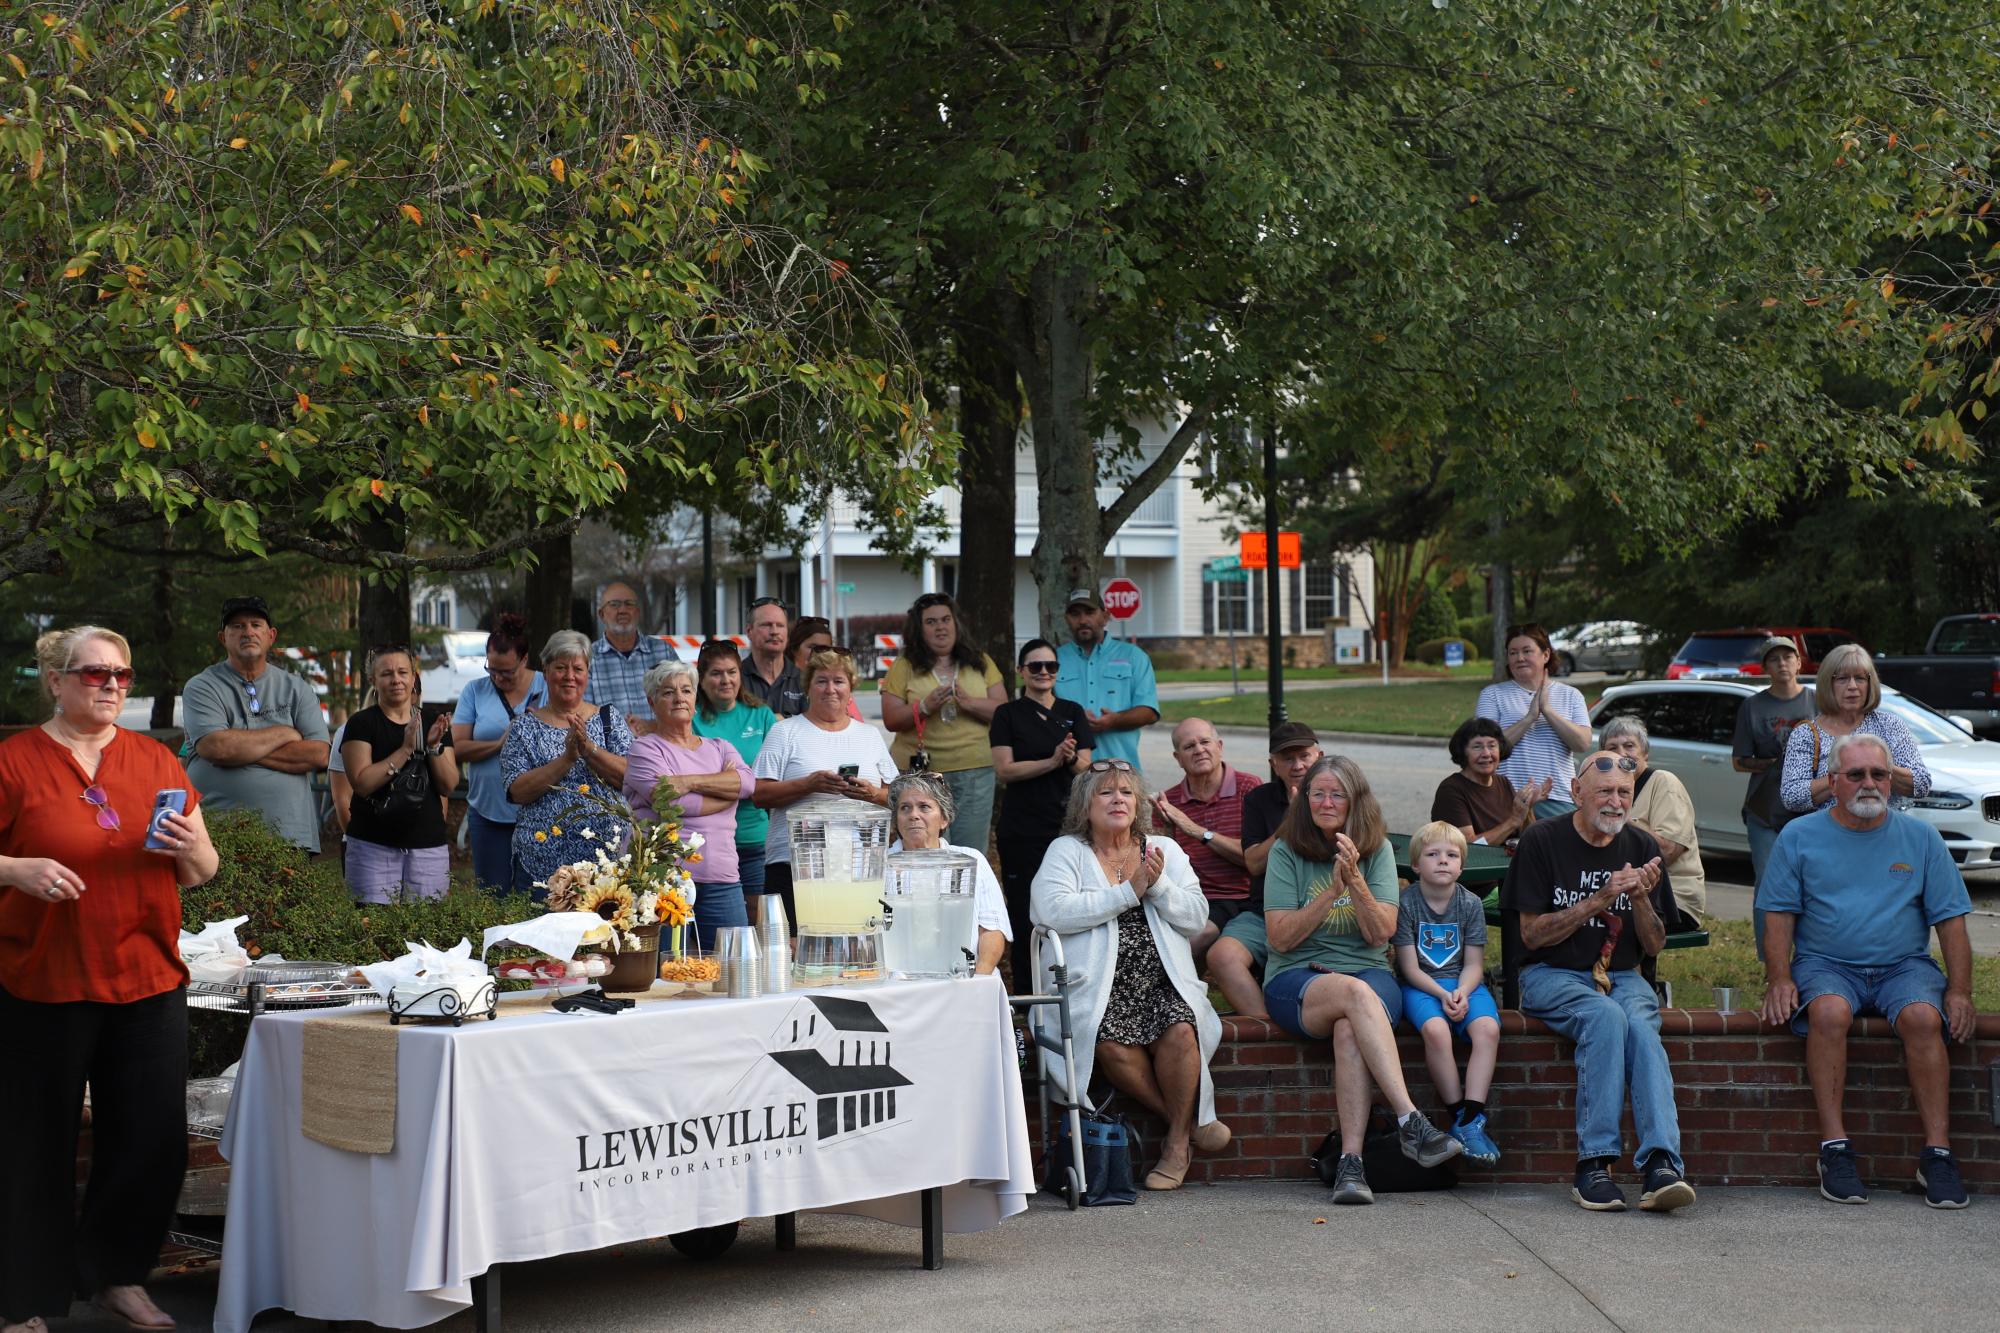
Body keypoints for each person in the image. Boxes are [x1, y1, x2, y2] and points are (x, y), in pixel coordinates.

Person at [1, 625, 219, 1333]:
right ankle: (22, 1297)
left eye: (122, 674)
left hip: (146, 976)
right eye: (95, 673)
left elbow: (202, 870)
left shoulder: (155, 758)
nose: (112, 685)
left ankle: (118, 1274)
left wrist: (191, 848)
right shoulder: (15, 761)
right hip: (42, 979)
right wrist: (16, 870)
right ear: (57, 680)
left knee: (148, 1139)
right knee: (32, 1144)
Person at [1756, 733, 1975, 1209]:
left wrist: (1960, 990)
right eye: (1856, 775)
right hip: (1825, 964)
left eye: (1879, 774)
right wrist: (1780, 977)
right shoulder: (1800, 836)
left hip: (1904, 965)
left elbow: (1951, 922)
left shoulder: (1920, 837)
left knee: (1924, 1019)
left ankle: (1937, 1155)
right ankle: (1834, 1150)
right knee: (1830, 1013)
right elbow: (1777, 914)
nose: (1869, 784)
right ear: (1833, 782)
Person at [1261, 754, 1464, 1204]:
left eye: (1338, 794)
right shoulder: (1285, 851)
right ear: (1304, 798)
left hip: (1369, 973)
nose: (1327, 802)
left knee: (1352, 1023)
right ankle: (1411, 1120)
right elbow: (1280, 938)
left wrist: (1354, 880)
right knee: (1355, 993)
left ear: (1356, 801)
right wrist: (1331, 890)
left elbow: (1381, 933)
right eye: (1318, 793)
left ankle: (1351, 1166)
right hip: (1297, 979)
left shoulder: (1377, 851)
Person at [1503, 752, 1696, 1214]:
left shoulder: (1642, 847)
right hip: (1549, 973)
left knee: (1643, 1028)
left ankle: (1662, 1166)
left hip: (1622, 973)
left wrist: (1642, 899)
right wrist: (1600, 898)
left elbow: (1653, 945)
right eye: (1604, 792)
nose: (1615, 802)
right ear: (1577, 793)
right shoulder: (1541, 841)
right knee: (1606, 1018)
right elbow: (1531, 935)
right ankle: (1594, 1165)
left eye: (1624, 794)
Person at [1030, 760, 1231, 1190]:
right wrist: (1128, 892)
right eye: (1105, 792)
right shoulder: (1067, 852)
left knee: (1181, 1029)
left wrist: (1155, 885)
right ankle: (1189, 1122)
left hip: (1163, 979)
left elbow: (1197, 918)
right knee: (1110, 1046)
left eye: (1125, 791)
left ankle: (1177, 1143)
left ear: (1137, 803)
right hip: (1094, 983)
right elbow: (1051, 912)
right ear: (1086, 806)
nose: (1117, 798)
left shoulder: (1164, 851)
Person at [752, 648, 897, 920]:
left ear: (850, 687)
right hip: (794, 864)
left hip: (859, 865)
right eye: (821, 681)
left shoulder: (869, 735)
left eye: (838, 681)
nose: (830, 689)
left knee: (853, 946)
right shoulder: (785, 732)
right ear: (808, 687)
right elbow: (759, 794)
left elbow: (895, 797)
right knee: (797, 948)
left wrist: (873, 794)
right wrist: (808, 784)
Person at [181, 594, 331, 852]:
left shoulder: (297, 689)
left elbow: (319, 755)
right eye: (237, 626)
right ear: (222, 638)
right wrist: (286, 733)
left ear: (271, 635)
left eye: (255, 624)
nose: (247, 632)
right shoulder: (202, 686)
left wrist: (239, 746)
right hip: (218, 835)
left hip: (290, 837)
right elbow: (216, 748)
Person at [623, 662, 756, 947]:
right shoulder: (644, 749)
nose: (679, 698)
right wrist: (724, 790)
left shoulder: (719, 746)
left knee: (729, 969)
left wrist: (689, 781)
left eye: (686, 690)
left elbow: (747, 784)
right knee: (665, 975)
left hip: (723, 877)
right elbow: (668, 801)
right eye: (668, 692)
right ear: (652, 702)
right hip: (664, 883)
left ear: (695, 699)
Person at [1393, 822, 1503, 1165]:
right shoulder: (1406, 904)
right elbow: (1409, 968)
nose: (1443, 861)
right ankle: (1457, 1114)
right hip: (1421, 985)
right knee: (1436, 1031)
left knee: (1488, 1029)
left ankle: (1472, 1118)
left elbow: (1473, 962)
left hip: (1464, 984)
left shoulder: (1470, 904)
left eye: (1452, 855)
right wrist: (1441, 994)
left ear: (1462, 865)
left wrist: (1462, 992)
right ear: (1416, 865)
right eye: (1433, 854)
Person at [989, 638, 1095, 991]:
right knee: (1025, 913)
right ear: (1021, 671)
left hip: (1069, 826)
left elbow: (1086, 769)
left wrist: (1068, 758)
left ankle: (1073, 990)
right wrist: (1050, 760)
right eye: (1035, 666)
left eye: (1051, 666)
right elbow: (1005, 770)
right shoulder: (1007, 714)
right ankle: (1027, 997)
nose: (1044, 672)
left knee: (1072, 908)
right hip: (1022, 829)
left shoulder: (1073, 711)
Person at [500, 630, 634, 895]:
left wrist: (588, 749)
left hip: (606, 867)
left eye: (578, 668)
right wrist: (567, 758)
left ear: (587, 674)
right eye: (560, 667)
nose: (569, 676)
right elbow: (516, 791)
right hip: (541, 868)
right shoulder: (524, 727)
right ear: (546, 671)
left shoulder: (609, 719)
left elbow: (632, 778)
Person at [1150, 718, 1264, 1016]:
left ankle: (1180, 1011)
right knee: (1175, 942)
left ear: (1220, 747)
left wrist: (1195, 830)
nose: (1199, 750)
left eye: (1205, 742)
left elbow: (1254, 858)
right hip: (1198, 899)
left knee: (1198, 939)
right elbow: (1163, 865)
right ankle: (1176, 1013)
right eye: (1189, 746)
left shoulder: (1249, 788)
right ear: (1178, 758)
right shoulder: (1169, 801)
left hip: (1246, 897)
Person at [881, 592, 1008, 849]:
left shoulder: (980, 662)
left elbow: (1004, 712)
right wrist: (925, 706)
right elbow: (891, 719)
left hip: (974, 772)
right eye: (931, 622)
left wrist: (970, 703)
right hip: (920, 776)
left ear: (956, 624)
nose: (940, 627)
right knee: (923, 847)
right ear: (919, 629)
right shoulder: (904, 666)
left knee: (970, 851)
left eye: (945, 619)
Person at [340, 647, 459, 903]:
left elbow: (448, 785)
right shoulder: (361, 723)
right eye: (386, 673)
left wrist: (433, 747)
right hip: (373, 844)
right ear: (373, 681)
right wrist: (405, 749)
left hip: (427, 845)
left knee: (427, 930)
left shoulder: (432, 722)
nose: (396, 679)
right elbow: (361, 783)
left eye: (403, 672)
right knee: (374, 929)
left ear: (414, 677)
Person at [1232, 722, 1327, 1023]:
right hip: (1264, 911)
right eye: (1287, 758)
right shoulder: (1260, 799)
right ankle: (1270, 1032)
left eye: (1304, 756)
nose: (1297, 765)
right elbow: (1254, 864)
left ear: (1319, 756)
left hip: (1323, 910)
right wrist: (1290, 821)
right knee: (1223, 957)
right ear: (1273, 763)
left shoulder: (1336, 796)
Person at [451, 613, 547, 894]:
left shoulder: (546, 686)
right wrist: (501, 743)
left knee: (538, 898)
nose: (497, 677)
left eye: (506, 671)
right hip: (487, 811)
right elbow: (457, 747)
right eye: (491, 669)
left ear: (524, 659)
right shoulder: (475, 690)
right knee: (493, 899)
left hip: (538, 814)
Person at [1780, 643, 1930, 816]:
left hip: (1885, 835)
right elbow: (1791, 797)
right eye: (1842, 678)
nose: (1852, 686)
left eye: (1860, 678)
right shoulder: (1806, 734)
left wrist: (1879, 765)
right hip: (1830, 837)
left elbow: (1921, 784)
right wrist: (1843, 771)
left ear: (1870, 683)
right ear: (1828, 683)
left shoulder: (1890, 725)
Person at [885, 771, 1010, 975]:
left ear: (944, 819)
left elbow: (991, 928)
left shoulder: (970, 860)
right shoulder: (881, 866)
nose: (913, 815)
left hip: (966, 980)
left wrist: (978, 977)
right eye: (904, 808)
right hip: (897, 985)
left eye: (924, 807)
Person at [1475, 623, 1590, 818]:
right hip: (1506, 799)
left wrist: (1548, 711)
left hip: (1559, 799)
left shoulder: (1571, 695)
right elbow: (1486, 748)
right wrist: (1529, 718)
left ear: (1546, 655)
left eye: (1527, 651)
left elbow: (1582, 743)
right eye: (1513, 653)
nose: (1519, 658)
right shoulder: (1492, 695)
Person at [1600, 715, 1708, 917]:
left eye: (1629, 746)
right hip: (1622, 895)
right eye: (1612, 748)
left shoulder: (1664, 782)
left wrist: (1621, 816)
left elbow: (1667, 852)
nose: (1621, 754)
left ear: (1645, 754)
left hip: (1672, 900)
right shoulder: (1605, 792)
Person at [692, 638, 775, 900]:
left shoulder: (761, 715)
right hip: (708, 844)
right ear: (702, 680)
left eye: (732, 672)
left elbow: (768, 781)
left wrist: (722, 779)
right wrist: (742, 777)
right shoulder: (690, 720)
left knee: (757, 918)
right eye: (716, 673)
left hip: (755, 839)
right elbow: (690, 783)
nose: (725, 680)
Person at [1732, 636, 1816, 885]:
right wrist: (1777, 764)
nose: (1782, 663)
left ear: (1799, 663)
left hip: (1809, 809)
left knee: (1809, 881)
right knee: (1769, 881)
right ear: (1765, 668)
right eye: (1774, 659)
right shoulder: (1752, 707)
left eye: (1788, 657)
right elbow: (1739, 761)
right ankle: (1766, 926)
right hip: (1764, 810)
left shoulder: (1818, 702)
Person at [1054, 587, 1159, 771]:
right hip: (1065, 775)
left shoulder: (1134, 656)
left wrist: (1114, 720)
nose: (1083, 620)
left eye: (1089, 612)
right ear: (1066, 619)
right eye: (1075, 614)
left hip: (1121, 772)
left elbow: (1149, 711)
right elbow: (1038, 712)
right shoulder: (1053, 661)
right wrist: (1073, 721)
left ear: (1105, 616)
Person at [1432, 716, 1544, 851]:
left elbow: (1527, 837)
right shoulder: (1451, 790)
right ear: (1463, 752)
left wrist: (1527, 807)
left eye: (1492, 746)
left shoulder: (1503, 782)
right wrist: (1513, 821)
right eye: (1477, 746)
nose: (1486, 753)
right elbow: (1468, 847)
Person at [583, 580, 671, 734]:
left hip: (662, 749)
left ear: (637, 611)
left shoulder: (664, 653)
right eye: (614, 604)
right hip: (609, 753)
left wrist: (654, 726)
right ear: (601, 614)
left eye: (629, 604)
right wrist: (621, 732)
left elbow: (685, 707)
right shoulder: (586, 659)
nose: (622, 610)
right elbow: (582, 715)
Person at [739, 596, 803, 716]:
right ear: (749, 631)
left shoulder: (804, 681)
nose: (774, 631)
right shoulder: (735, 680)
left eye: (780, 625)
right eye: (766, 625)